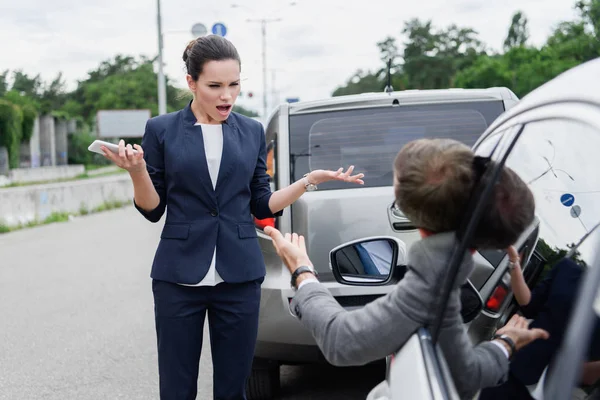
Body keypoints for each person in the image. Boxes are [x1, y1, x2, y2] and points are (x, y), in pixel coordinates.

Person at [100, 35, 364, 400]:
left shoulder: (252, 130)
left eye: (234, 85)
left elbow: (260, 203)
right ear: (191, 83)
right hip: (178, 278)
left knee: (233, 389)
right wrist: (137, 171)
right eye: (215, 86)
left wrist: (307, 181)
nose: (227, 96)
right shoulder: (161, 130)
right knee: (176, 390)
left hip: (238, 276)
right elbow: (152, 209)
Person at [264, 138, 550, 400]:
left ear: (404, 208)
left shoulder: (430, 282)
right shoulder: (447, 274)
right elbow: (465, 372)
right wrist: (505, 344)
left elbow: (342, 341)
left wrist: (302, 271)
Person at [479, 248, 600, 399]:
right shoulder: (568, 270)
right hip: (514, 369)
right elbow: (529, 304)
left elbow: (586, 377)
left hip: (549, 391)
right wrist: (515, 264)